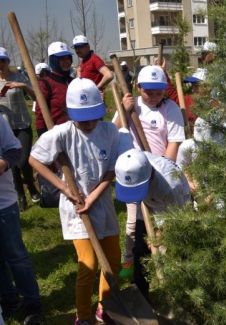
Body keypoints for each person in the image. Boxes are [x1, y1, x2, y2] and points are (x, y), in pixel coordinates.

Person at [29, 78, 122, 324]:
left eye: (94, 116)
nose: (90, 123)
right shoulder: (61, 133)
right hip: (77, 208)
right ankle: (82, 314)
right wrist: (64, 189)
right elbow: (35, 160)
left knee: (113, 260)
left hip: (101, 202)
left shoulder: (109, 131)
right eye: (84, 118)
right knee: (89, 263)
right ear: (72, 113)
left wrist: (93, 196)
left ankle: (106, 306)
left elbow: (112, 170)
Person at [113, 65, 185, 280]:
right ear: (138, 87)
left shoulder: (170, 108)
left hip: (159, 173)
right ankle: (132, 259)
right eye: (148, 92)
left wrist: (163, 171)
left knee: (163, 222)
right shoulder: (130, 105)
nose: (153, 96)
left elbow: (174, 142)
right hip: (134, 173)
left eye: (158, 92)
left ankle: (166, 265)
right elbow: (112, 132)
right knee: (134, 222)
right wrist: (123, 112)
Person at [115, 148, 191, 299]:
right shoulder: (131, 166)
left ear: (149, 177)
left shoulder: (171, 185)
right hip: (146, 202)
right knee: (139, 250)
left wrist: (158, 235)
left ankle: (183, 294)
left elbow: (177, 219)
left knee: (176, 253)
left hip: (174, 209)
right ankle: (140, 297)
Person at [0, 117, 43, 325]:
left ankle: (32, 302)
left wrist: (2, 163)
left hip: (3, 204)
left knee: (16, 255)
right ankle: (8, 300)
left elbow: (15, 150)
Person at [0, 47, 41, 211]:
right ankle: (21, 196)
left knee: (22, 161)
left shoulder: (18, 76)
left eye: (3, 61)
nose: (0, 64)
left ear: (8, 62)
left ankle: (31, 187)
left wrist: (23, 86)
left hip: (23, 124)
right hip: (6, 128)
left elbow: (35, 96)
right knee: (14, 164)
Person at [34, 41, 74, 136]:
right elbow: (40, 113)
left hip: (75, 132)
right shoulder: (46, 83)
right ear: (54, 60)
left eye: (68, 58)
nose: (66, 61)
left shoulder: (73, 82)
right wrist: (43, 134)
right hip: (56, 133)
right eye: (61, 59)